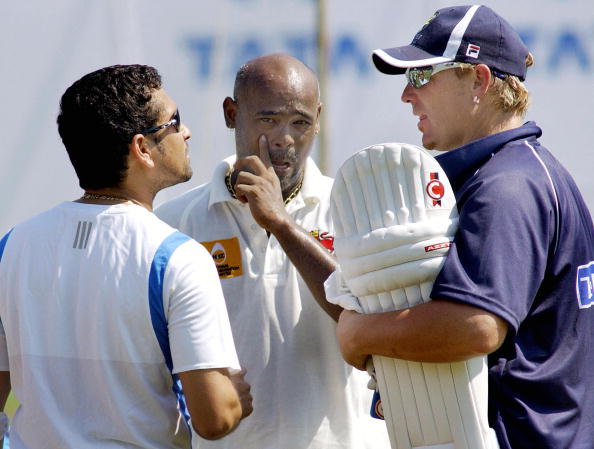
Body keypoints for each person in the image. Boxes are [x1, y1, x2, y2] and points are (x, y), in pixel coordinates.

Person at [335, 5, 594, 449]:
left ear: (479, 80)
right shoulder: (519, 171)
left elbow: (475, 326)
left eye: (421, 76)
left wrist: (360, 332)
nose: (406, 94)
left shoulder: (507, 186)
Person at [0, 64, 253, 449]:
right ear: (141, 148)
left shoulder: (11, 247)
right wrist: (235, 398)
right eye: (175, 122)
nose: (186, 132)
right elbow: (214, 418)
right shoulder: (178, 257)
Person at [156, 53, 390, 449]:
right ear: (232, 114)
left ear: (318, 120)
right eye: (268, 119)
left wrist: (282, 224)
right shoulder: (174, 223)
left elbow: (373, 321)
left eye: (300, 122)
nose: (284, 138)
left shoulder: (357, 209)